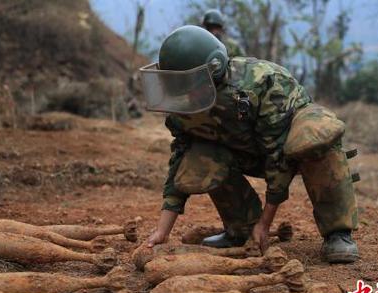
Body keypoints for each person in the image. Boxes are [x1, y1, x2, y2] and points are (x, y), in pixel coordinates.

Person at [139, 25, 360, 263]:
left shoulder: (263, 83)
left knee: (317, 135)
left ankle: (338, 232)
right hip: (246, 150)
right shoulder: (185, 104)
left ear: (213, 69)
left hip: (291, 147)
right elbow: (181, 156)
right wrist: (163, 231)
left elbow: (278, 157)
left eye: (189, 83)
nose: (185, 92)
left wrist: (265, 224)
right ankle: (241, 229)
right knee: (196, 160)